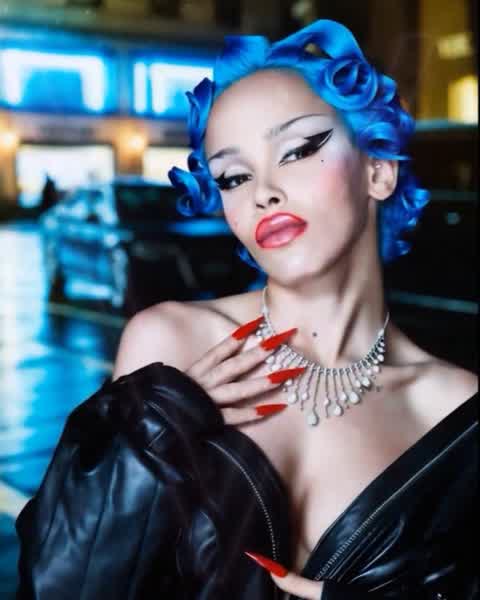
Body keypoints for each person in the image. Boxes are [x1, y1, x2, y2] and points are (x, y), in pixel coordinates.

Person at [15, 20, 477, 600]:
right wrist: (156, 425)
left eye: (299, 150)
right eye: (234, 176)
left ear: (378, 169)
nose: (263, 192)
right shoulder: (173, 344)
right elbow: (63, 584)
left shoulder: (455, 409)